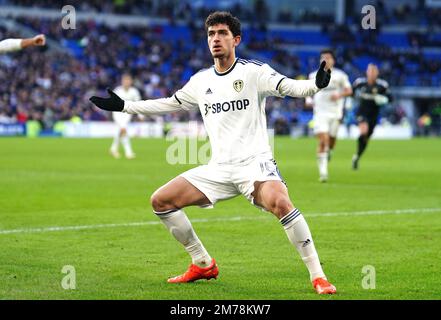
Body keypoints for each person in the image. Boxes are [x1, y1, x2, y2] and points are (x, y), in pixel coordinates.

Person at [90, 11, 336, 294]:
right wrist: (125, 106)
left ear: (236, 40)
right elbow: (171, 103)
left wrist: (316, 84)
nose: (215, 39)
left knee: (280, 202)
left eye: (222, 33)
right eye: (211, 34)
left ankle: (318, 276)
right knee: (161, 200)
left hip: (254, 164)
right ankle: (202, 262)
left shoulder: (254, 72)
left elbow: (291, 87)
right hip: (218, 168)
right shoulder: (200, 81)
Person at [305, 49, 352, 182]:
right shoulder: (314, 75)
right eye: (322, 58)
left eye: (327, 57)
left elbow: (349, 90)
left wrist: (339, 94)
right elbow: (308, 91)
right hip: (320, 113)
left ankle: (328, 152)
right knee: (322, 140)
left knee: (331, 143)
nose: (325, 60)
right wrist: (308, 100)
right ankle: (323, 173)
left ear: (333, 60)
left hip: (336, 113)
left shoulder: (340, 75)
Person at [351, 64, 392, 169]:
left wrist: (383, 99)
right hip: (361, 113)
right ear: (367, 72)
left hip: (374, 116)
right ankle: (358, 152)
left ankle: (357, 156)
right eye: (370, 71)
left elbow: (390, 98)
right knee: (364, 131)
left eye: (374, 71)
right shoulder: (360, 83)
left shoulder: (382, 85)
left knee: (366, 138)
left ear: (377, 73)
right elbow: (350, 92)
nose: (372, 73)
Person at [109, 74, 141, 159]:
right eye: (125, 80)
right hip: (117, 113)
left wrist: (141, 115)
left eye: (128, 80)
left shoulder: (134, 91)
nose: (126, 82)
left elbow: (139, 103)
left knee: (120, 131)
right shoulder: (117, 90)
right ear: (122, 81)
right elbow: (112, 102)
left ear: (131, 82)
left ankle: (113, 149)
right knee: (123, 129)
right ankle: (128, 152)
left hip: (127, 114)